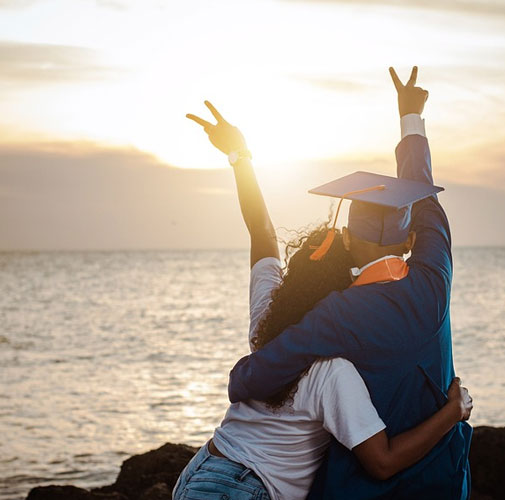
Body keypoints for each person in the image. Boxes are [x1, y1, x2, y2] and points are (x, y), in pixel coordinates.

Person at [175, 87, 472, 500]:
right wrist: (411, 118)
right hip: (249, 489)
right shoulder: (431, 284)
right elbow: (423, 194)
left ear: (348, 240)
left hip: (201, 470)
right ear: (410, 241)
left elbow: (262, 236)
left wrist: (239, 157)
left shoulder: (290, 314)